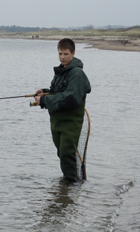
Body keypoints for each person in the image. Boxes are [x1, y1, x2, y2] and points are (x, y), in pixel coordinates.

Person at [34, 38, 91, 182]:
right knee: (62, 153)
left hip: (70, 122)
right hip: (57, 121)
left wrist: (45, 100)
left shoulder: (77, 73)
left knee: (67, 154)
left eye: (65, 54)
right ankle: (68, 190)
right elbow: (59, 92)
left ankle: (71, 187)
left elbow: (70, 98)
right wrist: (45, 92)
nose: (62, 57)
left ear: (73, 53)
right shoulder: (61, 71)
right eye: (60, 54)